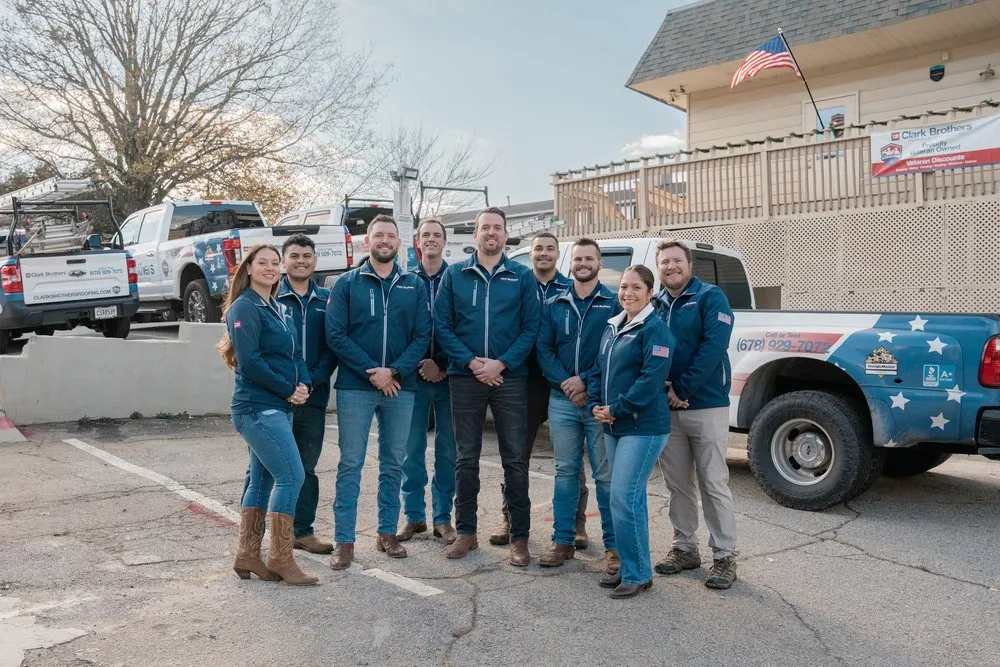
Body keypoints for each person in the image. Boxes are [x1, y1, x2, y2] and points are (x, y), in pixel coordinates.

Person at [435, 206, 541, 566]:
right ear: (475, 234)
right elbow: (442, 326)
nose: (491, 233)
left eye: (497, 227)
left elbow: (531, 329)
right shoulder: (455, 275)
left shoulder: (522, 277)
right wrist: (472, 363)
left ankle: (519, 537)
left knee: (515, 459)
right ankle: (466, 532)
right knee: (466, 459)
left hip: (510, 379)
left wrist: (502, 363)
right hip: (465, 378)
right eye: (485, 228)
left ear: (506, 233)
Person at [325, 214, 431, 569]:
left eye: (391, 235)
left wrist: (395, 372)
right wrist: (374, 373)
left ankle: (387, 533)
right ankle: (344, 541)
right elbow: (336, 336)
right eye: (378, 235)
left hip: (401, 387)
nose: (384, 240)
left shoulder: (413, 286)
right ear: (366, 241)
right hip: (357, 386)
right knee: (351, 464)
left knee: (393, 464)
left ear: (400, 243)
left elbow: (422, 337)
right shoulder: (346, 284)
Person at [219, 243, 317, 585]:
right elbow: (250, 362)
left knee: (261, 480)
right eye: (263, 263)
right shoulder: (244, 307)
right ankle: (280, 558)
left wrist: (304, 383)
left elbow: (295, 354)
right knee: (292, 476)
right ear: (248, 268)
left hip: (279, 405)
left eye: (276, 263)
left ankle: (247, 555)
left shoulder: (275, 306)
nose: (271, 268)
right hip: (256, 408)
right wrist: (287, 389)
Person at [488, 231, 594, 549]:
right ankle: (510, 519)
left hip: (563, 384)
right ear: (531, 253)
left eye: (550, 249)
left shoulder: (568, 287)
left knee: (570, 459)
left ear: (558, 254)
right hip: (522, 382)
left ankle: (577, 524)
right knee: (517, 455)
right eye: (538, 249)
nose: (543, 254)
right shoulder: (517, 283)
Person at [652, 238, 739, 590]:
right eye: (664, 263)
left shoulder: (710, 297)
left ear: (689, 265)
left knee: (713, 483)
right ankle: (685, 548)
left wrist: (681, 389)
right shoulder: (654, 303)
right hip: (667, 409)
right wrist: (663, 392)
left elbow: (713, 347)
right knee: (678, 485)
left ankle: (724, 556)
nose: (670, 267)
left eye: (676, 261)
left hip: (705, 405)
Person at [587, 264, 673, 599]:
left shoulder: (655, 330)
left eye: (636, 288)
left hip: (643, 427)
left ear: (650, 293)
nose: (628, 293)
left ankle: (637, 573)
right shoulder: (613, 326)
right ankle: (632, 568)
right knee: (622, 499)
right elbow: (597, 370)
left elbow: (650, 382)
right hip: (612, 425)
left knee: (623, 497)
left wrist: (616, 408)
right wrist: (596, 403)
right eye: (623, 287)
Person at [536, 238, 621, 572]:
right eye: (578, 258)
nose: (583, 263)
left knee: (605, 476)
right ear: (570, 262)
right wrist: (567, 384)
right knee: (565, 473)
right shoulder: (554, 304)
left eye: (590, 258)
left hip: (598, 403)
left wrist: (585, 380)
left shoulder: (613, 304)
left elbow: (614, 351)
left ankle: (614, 547)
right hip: (561, 401)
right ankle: (563, 540)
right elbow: (544, 350)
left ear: (600, 263)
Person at [276, 234, 338, 554]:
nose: (301, 260)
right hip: (274, 397)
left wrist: (310, 382)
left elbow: (333, 347)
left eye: (307, 256)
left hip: (312, 396)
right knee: (270, 468)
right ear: (283, 261)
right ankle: (273, 532)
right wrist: (284, 386)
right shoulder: (270, 297)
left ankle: (302, 530)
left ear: (315, 260)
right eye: (294, 255)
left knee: (305, 467)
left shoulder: (327, 300)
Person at [398, 218, 458, 545]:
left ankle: (442, 518)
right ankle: (413, 516)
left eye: (437, 235)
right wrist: (420, 365)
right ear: (418, 242)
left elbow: (463, 327)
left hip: (450, 378)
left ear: (444, 241)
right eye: (426, 235)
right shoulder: (406, 281)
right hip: (414, 377)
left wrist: (443, 365)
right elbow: (401, 329)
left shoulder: (458, 279)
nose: (431, 239)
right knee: (411, 449)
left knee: (448, 450)